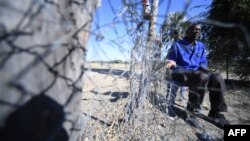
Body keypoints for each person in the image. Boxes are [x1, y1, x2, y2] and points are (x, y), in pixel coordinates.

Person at [165, 22, 229, 128]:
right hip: (180, 72)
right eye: (195, 29)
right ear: (187, 31)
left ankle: (215, 113)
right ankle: (191, 112)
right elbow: (172, 60)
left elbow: (203, 63)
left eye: (199, 30)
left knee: (217, 77)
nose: (197, 32)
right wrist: (170, 63)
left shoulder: (201, 46)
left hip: (197, 73)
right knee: (201, 76)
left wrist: (209, 72)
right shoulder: (177, 44)